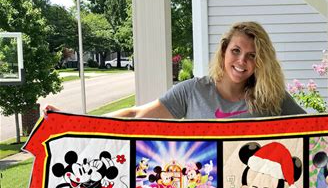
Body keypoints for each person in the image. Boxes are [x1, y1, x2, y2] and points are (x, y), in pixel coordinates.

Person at [45, 22, 305, 120]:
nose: (241, 60)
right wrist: (73, 121)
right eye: (236, 51)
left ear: (261, 62)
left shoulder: (272, 97)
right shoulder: (193, 91)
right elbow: (136, 114)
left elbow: (314, 131)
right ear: (224, 51)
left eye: (252, 55)